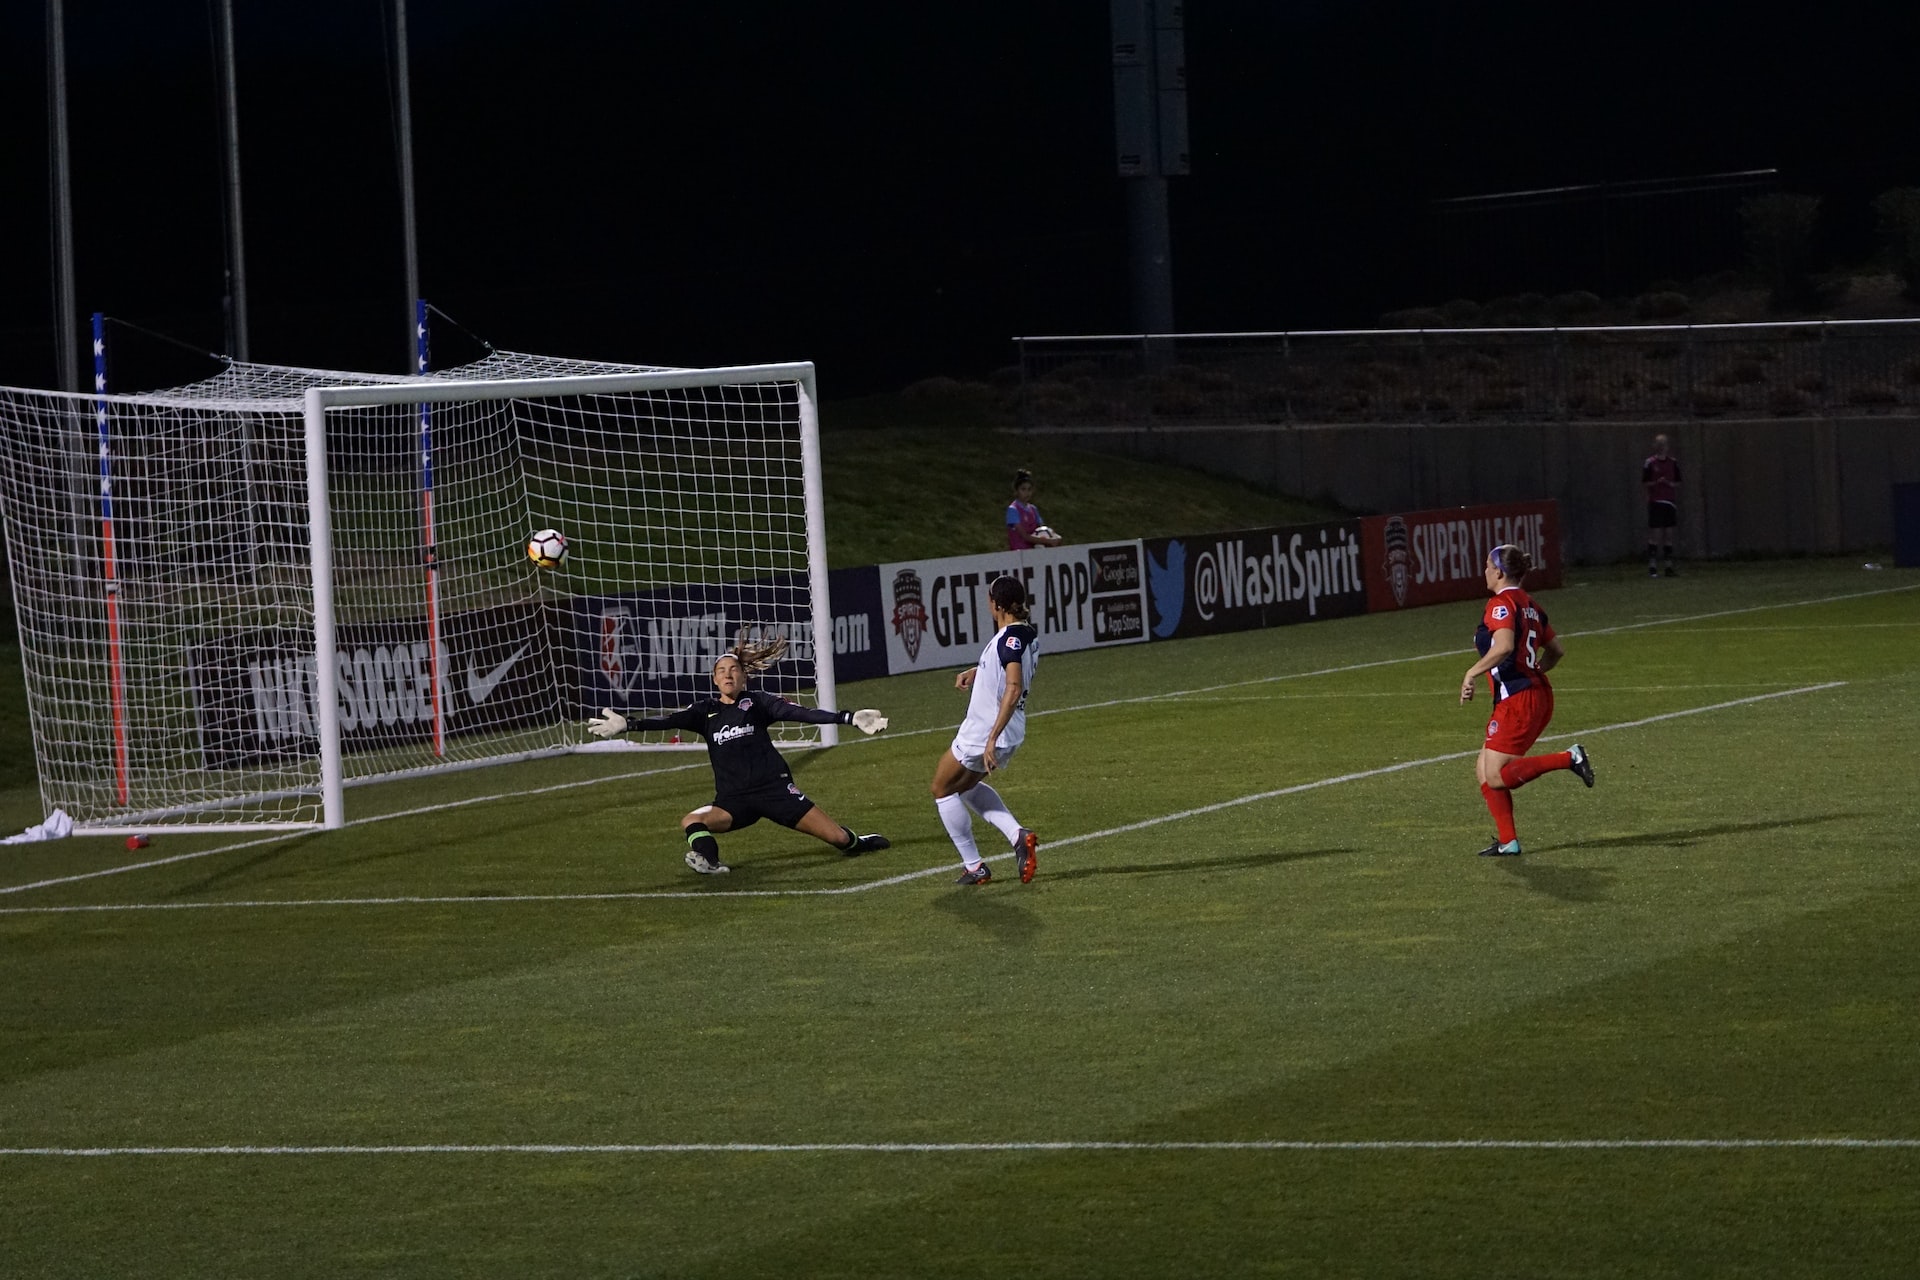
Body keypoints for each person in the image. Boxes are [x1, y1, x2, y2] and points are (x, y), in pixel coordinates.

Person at [586, 629, 890, 875]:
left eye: (734, 670)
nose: (728, 675)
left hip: (776, 792)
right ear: (715, 679)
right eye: (722, 671)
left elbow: (802, 714)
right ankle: (710, 861)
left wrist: (846, 717)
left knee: (838, 839)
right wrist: (628, 724)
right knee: (692, 820)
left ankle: (857, 842)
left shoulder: (759, 702)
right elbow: (667, 720)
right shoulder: (704, 711)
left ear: (744, 677)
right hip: (734, 801)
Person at [1459, 543, 1595, 857]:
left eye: (1487, 566)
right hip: (1531, 694)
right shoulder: (1530, 604)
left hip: (1519, 700)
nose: (1484, 572)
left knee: (1496, 774)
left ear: (1499, 571)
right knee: (1484, 770)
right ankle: (1509, 842)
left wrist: (1472, 673)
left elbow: (1504, 646)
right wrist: (1533, 671)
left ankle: (1569, 758)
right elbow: (1556, 651)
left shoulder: (1501, 604)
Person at [930, 575, 1041, 885]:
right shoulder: (1024, 634)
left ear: (998, 605)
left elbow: (1014, 685)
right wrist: (977, 671)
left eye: (990, 600)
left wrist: (991, 736)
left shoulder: (1008, 639)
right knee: (964, 787)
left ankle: (974, 866)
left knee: (941, 788)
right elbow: (1007, 667)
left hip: (986, 731)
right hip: (1011, 729)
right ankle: (1018, 835)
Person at [1643, 433, 1682, 577]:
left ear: (1667, 447)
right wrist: (1656, 483)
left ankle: (1668, 567)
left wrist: (1670, 484)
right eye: (1658, 444)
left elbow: (1678, 482)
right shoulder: (1650, 463)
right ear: (1655, 446)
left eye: (1663, 444)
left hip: (1669, 502)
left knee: (1669, 535)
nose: (1661, 447)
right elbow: (1645, 482)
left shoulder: (1673, 462)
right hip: (1656, 501)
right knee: (1655, 534)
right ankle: (1652, 566)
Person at [1006, 468, 1064, 550]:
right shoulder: (1013, 510)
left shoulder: (1033, 509)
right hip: (1019, 553)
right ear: (1016, 491)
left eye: (1029, 489)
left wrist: (1055, 537)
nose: (1027, 493)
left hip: (1034, 552)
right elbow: (1024, 536)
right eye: (1023, 489)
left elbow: (1042, 530)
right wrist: (1048, 541)